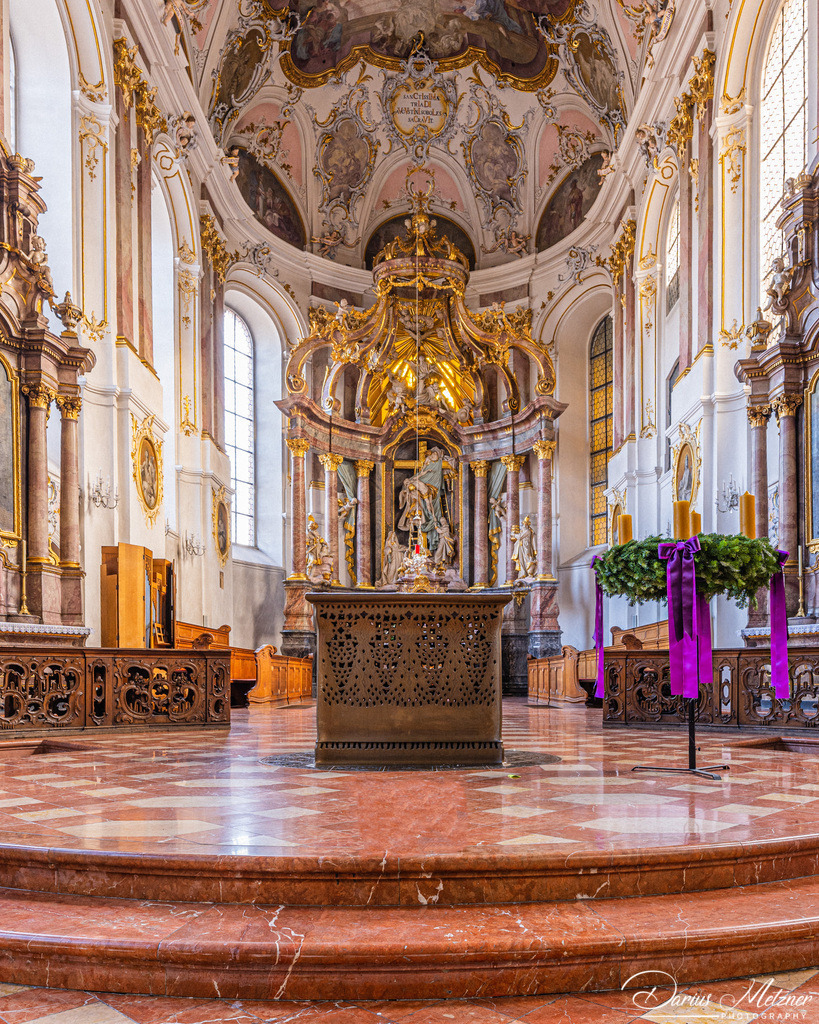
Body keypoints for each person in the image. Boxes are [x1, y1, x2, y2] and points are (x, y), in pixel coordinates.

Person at [511, 515, 537, 580]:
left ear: (527, 525)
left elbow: (520, 537)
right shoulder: (524, 530)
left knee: (527, 559)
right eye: (523, 524)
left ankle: (528, 573)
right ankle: (522, 573)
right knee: (521, 560)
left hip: (526, 547)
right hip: (522, 546)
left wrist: (513, 534)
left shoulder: (527, 531)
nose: (523, 525)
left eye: (524, 524)